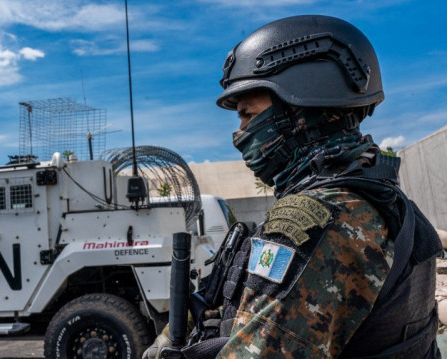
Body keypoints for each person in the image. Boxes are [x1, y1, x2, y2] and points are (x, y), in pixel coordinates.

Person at [144, 15, 442, 359]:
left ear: (301, 109)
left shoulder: (317, 221)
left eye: (248, 113)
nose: (239, 134)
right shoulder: (381, 199)